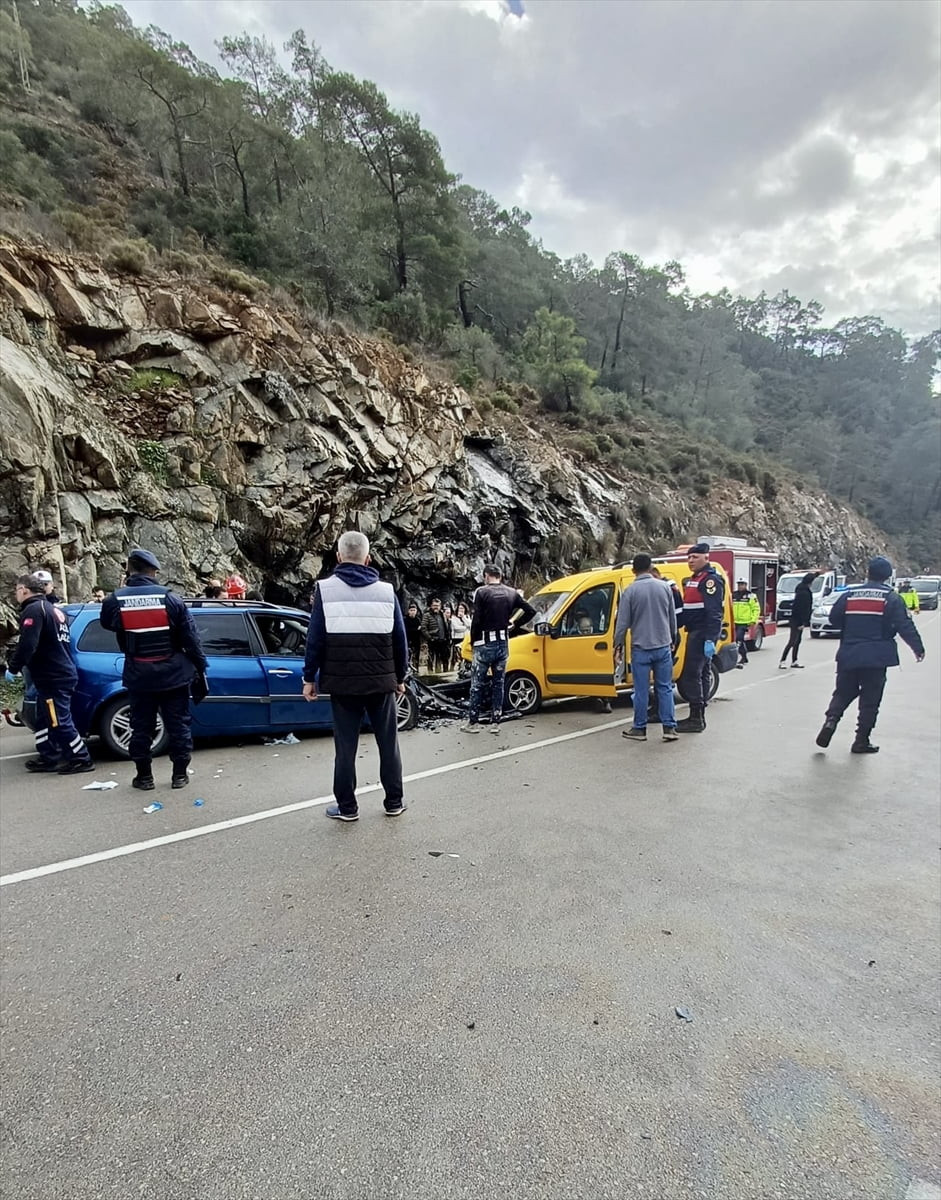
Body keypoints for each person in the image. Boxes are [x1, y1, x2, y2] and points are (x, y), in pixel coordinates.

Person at [302, 531, 409, 821]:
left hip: (343, 683)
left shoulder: (325, 589)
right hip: (381, 681)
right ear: (368, 558)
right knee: (388, 744)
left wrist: (309, 677)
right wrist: (400, 677)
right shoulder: (387, 591)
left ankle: (347, 808)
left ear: (338, 557)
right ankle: (394, 802)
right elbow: (400, 640)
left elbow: (315, 639)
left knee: (345, 747)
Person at [100, 549, 208, 791]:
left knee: (141, 727)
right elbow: (191, 639)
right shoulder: (171, 599)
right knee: (178, 725)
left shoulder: (114, 600)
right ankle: (179, 776)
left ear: (129, 569)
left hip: (139, 674)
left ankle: (144, 777)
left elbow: (107, 623)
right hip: (173, 675)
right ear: (154, 571)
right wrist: (201, 667)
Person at [816, 556, 924, 754]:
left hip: (849, 653)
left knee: (843, 692)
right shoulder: (891, 597)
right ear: (888, 576)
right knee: (870, 699)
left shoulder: (850, 594)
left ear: (868, 573)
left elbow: (833, 618)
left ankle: (831, 721)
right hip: (876, 657)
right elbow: (904, 625)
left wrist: (851, 629)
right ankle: (861, 740)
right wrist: (918, 648)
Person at [4, 574, 94, 774]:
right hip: (57, 674)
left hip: (53, 677)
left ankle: (81, 758)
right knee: (45, 719)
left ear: (25, 590)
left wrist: (13, 667)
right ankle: (48, 756)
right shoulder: (51, 609)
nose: (16, 594)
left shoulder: (33, 610)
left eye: (17, 590)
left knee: (58, 719)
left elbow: (28, 645)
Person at [614, 554, 679, 742]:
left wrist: (617, 645)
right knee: (665, 688)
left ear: (633, 570)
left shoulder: (630, 591)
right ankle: (669, 728)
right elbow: (671, 618)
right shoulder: (664, 588)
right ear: (651, 567)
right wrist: (672, 638)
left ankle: (640, 729)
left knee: (641, 690)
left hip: (641, 648)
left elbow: (622, 623)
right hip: (663, 646)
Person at [463, 564, 536, 733]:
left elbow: (476, 620)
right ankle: (496, 721)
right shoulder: (512, 593)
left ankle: (472, 722)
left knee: (477, 684)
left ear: (486, 576)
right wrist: (515, 623)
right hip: (503, 643)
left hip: (483, 644)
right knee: (499, 683)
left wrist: (473, 642)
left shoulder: (481, 592)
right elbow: (530, 611)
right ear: (500, 576)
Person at [675, 542, 725, 733]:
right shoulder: (696, 578)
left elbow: (714, 613)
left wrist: (711, 639)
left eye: (695, 557)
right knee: (702, 674)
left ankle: (696, 718)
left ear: (706, 557)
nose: (690, 561)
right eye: (688, 557)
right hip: (694, 631)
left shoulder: (710, 580)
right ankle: (698, 717)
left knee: (691, 675)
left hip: (701, 633)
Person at [779, 572, 816, 669]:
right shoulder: (804, 593)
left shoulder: (802, 588)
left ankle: (794, 660)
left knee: (798, 641)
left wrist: (818, 573)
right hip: (797, 620)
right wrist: (802, 622)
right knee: (792, 641)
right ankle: (782, 661)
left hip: (797, 619)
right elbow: (801, 608)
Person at [732, 579, 760, 668]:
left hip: (744, 622)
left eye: (742, 584)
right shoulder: (733, 595)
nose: (740, 586)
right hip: (734, 621)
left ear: (745, 585)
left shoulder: (751, 596)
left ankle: (741, 658)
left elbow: (756, 608)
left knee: (739, 639)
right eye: (739, 584)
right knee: (738, 640)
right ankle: (744, 657)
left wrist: (753, 620)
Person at [421, 596, 451, 673]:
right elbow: (423, 628)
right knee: (431, 659)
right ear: (431, 606)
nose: (436, 607)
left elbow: (446, 627)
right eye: (434, 605)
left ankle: (444, 674)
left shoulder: (442, 614)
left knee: (444, 659)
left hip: (443, 640)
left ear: (440, 606)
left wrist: (448, 638)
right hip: (433, 640)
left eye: (437, 606)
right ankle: (431, 675)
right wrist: (430, 638)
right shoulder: (427, 615)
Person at [450, 601, 472, 667]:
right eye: (460, 608)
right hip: (457, 638)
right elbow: (456, 628)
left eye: (462, 608)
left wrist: (463, 617)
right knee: (456, 656)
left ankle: (464, 667)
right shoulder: (454, 617)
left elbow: (470, 625)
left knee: (464, 655)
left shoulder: (467, 617)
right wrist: (466, 627)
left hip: (465, 638)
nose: (461, 610)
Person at [404, 600, 423, 669]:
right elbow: (406, 630)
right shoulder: (405, 619)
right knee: (408, 656)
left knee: (417, 656)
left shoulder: (418, 619)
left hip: (417, 640)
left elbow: (421, 629)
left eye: (414, 610)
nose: (412, 612)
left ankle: (416, 668)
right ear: (408, 611)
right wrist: (416, 629)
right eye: (411, 610)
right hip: (408, 640)